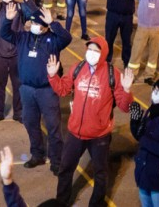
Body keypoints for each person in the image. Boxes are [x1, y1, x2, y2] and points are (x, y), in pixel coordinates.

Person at [47, 37, 134, 206]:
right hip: (75, 133)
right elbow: (63, 90)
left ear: (103, 54)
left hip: (99, 135)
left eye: (96, 50)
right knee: (65, 169)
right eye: (90, 49)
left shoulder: (112, 74)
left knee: (101, 173)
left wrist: (127, 89)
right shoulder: (78, 68)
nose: (92, 53)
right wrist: (53, 77)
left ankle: (96, 203)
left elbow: (125, 107)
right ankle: (61, 201)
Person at [0, 3, 72, 175]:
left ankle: (56, 160)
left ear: (45, 27)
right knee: (31, 123)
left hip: (47, 91)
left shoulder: (53, 41)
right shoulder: (23, 38)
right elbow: (5, 33)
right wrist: (7, 21)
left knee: (53, 127)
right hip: (26, 90)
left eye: (38, 24)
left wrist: (53, 23)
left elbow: (67, 38)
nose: (34, 26)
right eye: (32, 23)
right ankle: (37, 154)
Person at [129, 77, 159, 207]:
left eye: (158, 91)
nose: (154, 93)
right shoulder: (152, 111)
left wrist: (144, 139)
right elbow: (139, 135)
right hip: (145, 176)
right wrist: (135, 122)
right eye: (154, 89)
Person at [101, 0, 137, 65]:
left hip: (127, 17)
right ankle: (107, 62)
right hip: (113, 15)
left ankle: (126, 63)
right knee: (109, 40)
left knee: (126, 41)